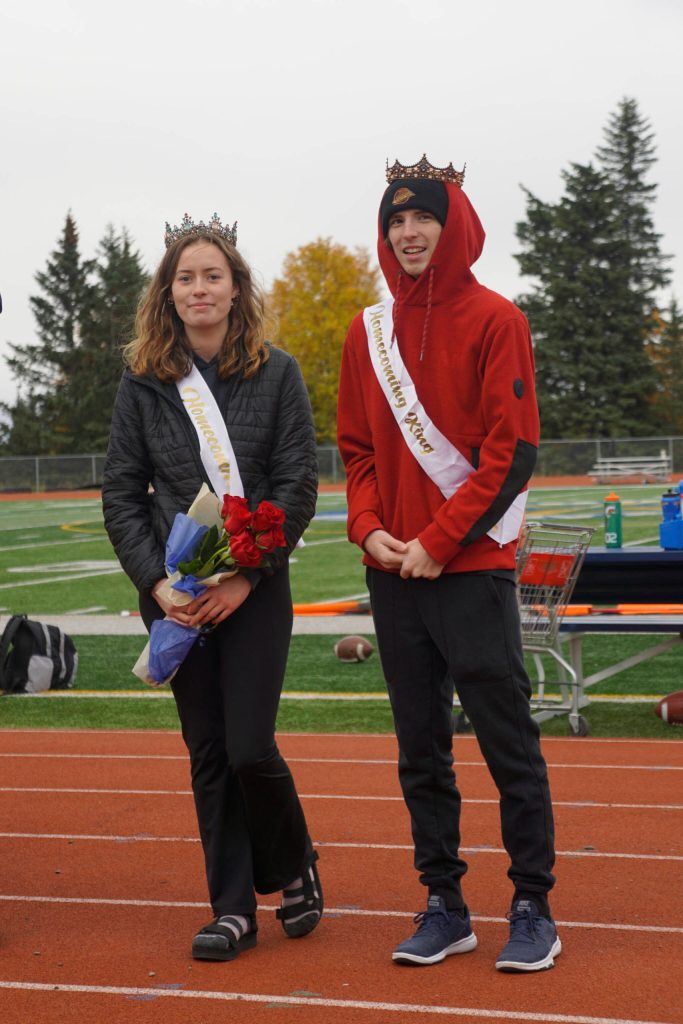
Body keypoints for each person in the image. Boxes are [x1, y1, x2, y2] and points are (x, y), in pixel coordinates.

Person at [337, 158, 559, 973]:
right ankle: (444, 902)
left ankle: (531, 903)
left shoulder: (498, 318)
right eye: (395, 221)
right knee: (419, 744)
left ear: (452, 224)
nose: (408, 233)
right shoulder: (366, 334)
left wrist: (438, 539)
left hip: (470, 567)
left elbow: (514, 452)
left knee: (506, 739)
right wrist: (368, 531)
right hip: (393, 571)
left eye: (422, 218)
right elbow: (356, 449)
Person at [102, 213, 322, 962]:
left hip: (253, 590)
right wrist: (157, 584)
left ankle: (293, 862)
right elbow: (123, 493)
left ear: (235, 288)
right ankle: (231, 908)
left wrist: (246, 575)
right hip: (175, 594)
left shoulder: (278, 371)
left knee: (249, 746)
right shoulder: (143, 381)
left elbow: (297, 483)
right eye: (184, 277)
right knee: (205, 749)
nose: (198, 288)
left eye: (212, 276)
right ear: (168, 293)